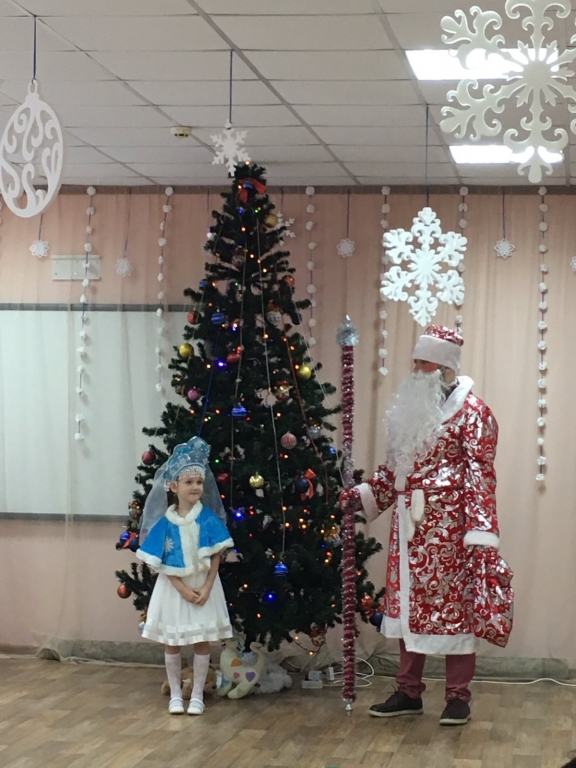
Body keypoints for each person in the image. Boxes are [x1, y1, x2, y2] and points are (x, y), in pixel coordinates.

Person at [343, 325, 513, 726]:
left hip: (452, 530)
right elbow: (394, 472)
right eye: (416, 362)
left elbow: (480, 476)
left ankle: (458, 696)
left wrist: (480, 535)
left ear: (445, 368)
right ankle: (408, 691)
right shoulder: (409, 412)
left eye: (424, 363)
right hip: (408, 529)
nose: (416, 370)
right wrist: (361, 497)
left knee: (456, 612)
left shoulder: (474, 413)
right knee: (408, 610)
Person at [137, 436, 234, 715]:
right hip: (174, 590)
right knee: (173, 642)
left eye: (199, 482)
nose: (195, 487)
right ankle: (176, 695)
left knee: (201, 641)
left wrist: (207, 586)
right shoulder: (165, 524)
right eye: (188, 482)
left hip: (203, 587)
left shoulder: (208, 519)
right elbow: (161, 561)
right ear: (173, 486)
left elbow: (216, 554)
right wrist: (181, 589)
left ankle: (198, 695)